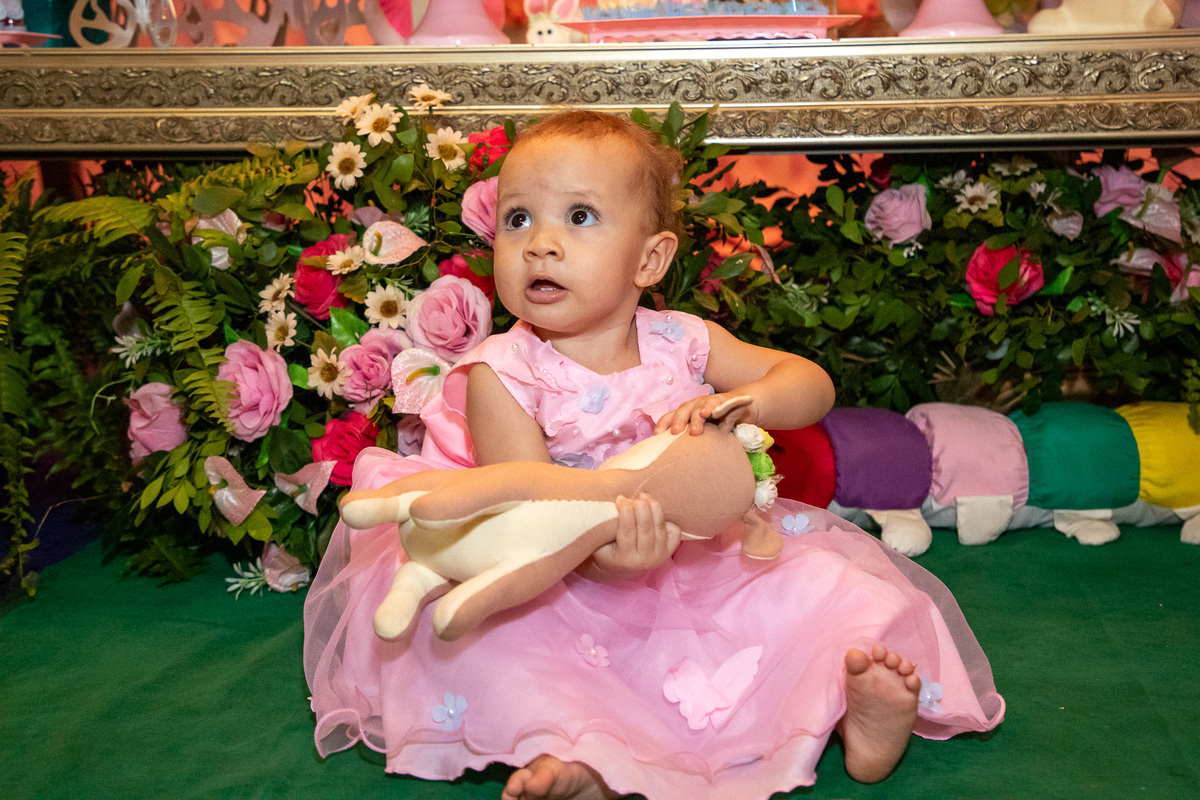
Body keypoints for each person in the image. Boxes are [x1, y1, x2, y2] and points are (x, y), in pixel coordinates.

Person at [303, 110, 1004, 800]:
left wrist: (752, 401)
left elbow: (811, 384)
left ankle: (853, 705)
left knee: (826, 586)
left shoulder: (681, 339)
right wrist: (611, 559)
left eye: (579, 217)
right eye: (518, 219)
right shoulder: (501, 372)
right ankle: (579, 752)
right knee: (496, 643)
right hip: (558, 581)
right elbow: (529, 509)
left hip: (703, 557)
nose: (540, 244)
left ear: (650, 259)